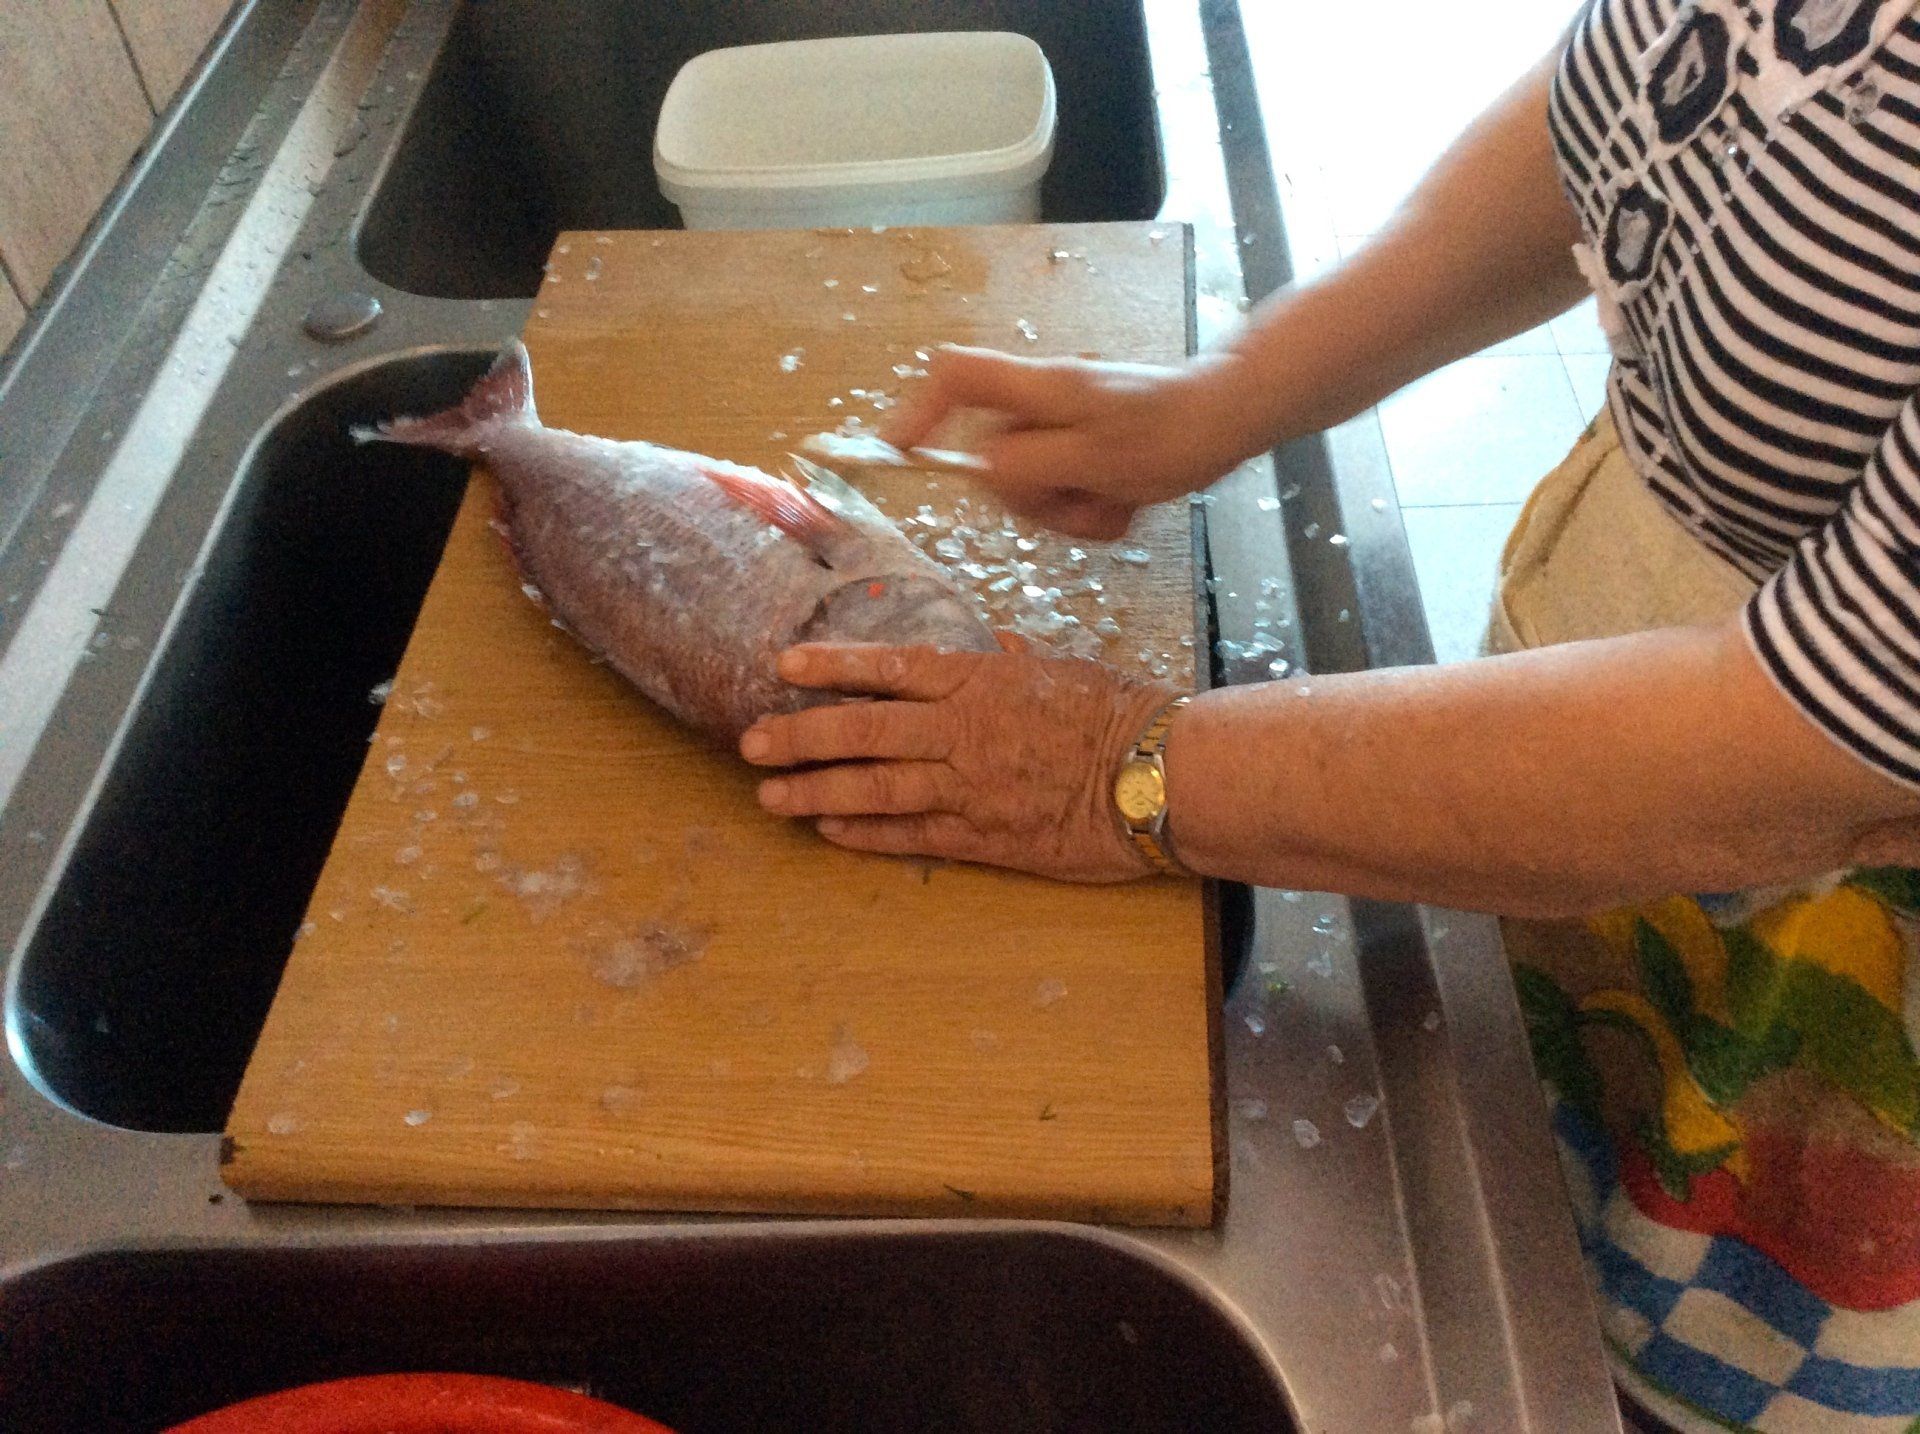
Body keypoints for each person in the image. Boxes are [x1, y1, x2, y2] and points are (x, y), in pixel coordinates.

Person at [738, 1, 1920, 1429]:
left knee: (1677, 1372)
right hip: (1610, 787)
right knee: (1533, 1212)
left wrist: (1120, 768)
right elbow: (1638, 105)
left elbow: (1794, 744)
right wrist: (1227, 389)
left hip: (1833, 1004)